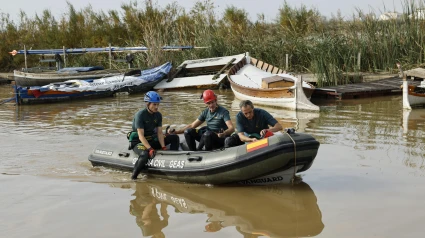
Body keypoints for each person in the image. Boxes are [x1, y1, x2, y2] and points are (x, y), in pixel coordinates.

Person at [129, 91, 180, 180]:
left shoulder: (158, 115)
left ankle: (173, 158)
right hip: (139, 142)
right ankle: (133, 177)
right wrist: (150, 149)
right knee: (144, 155)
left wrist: (163, 147)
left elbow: (160, 133)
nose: (157, 107)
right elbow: (141, 136)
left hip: (152, 139)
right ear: (148, 104)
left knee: (174, 137)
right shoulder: (140, 115)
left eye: (158, 104)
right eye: (154, 105)